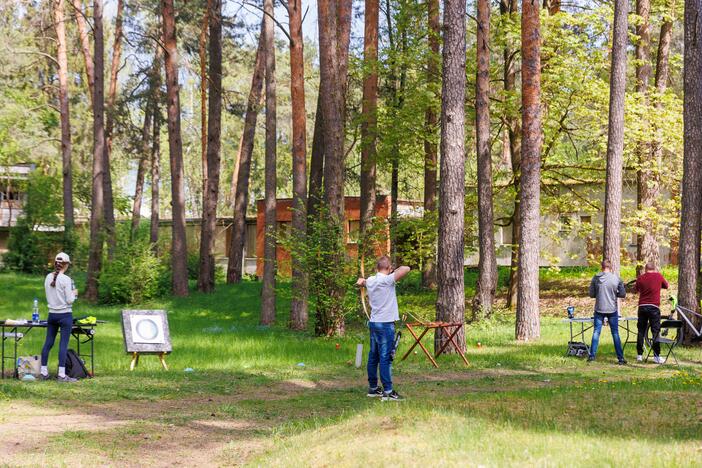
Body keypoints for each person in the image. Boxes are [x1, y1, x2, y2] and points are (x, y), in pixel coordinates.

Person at [356, 256, 410, 401]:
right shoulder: (387, 280)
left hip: (374, 323)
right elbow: (406, 268)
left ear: (376, 268)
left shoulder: (372, 280)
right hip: (385, 325)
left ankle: (373, 389)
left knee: (373, 356)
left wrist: (362, 282)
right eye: (390, 268)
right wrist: (393, 270)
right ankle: (388, 391)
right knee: (385, 357)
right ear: (388, 268)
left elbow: (363, 282)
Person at [40, 252, 78, 382]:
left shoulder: (47, 277)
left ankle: (43, 372)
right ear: (66, 264)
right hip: (65, 315)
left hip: (52, 315)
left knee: (48, 343)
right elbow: (69, 300)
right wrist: (75, 294)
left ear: (56, 263)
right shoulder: (66, 279)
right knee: (63, 344)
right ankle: (61, 375)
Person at [588, 259, 627, 364]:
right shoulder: (616, 279)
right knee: (615, 333)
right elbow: (623, 294)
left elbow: (591, 294)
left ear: (602, 267)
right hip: (612, 309)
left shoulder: (596, 278)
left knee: (596, 332)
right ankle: (620, 358)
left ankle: (592, 356)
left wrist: (599, 292)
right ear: (611, 268)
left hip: (599, 309)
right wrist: (615, 293)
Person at [633, 262, 669, 364]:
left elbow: (636, 289)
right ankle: (656, 356)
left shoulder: (640, 278)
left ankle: (639, 355)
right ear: (655, 268)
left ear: (645, 269)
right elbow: (666, 286)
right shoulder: (658, 276)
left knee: (641, 330)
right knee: (655, 331)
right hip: (654, 307)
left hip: (642, 307)